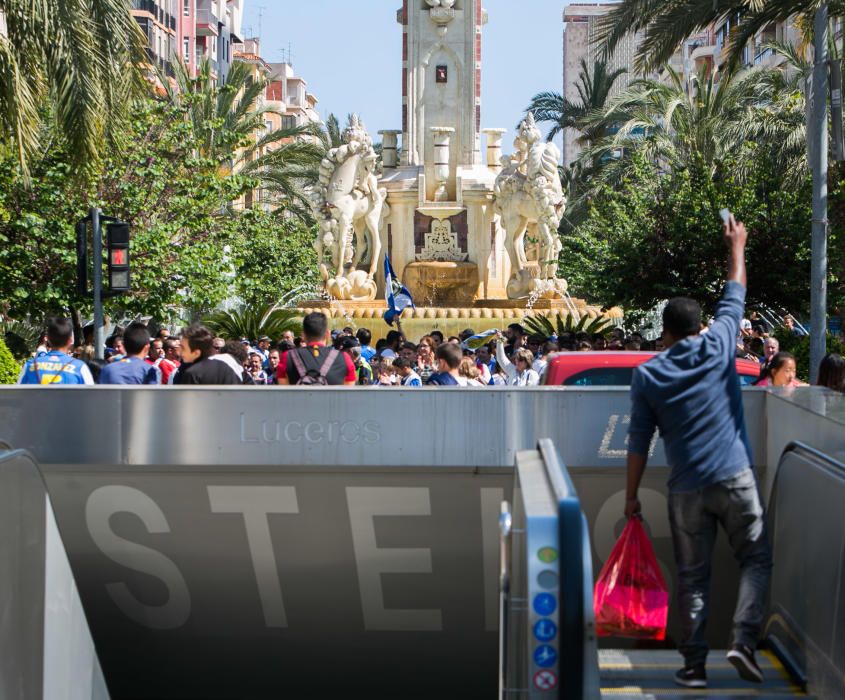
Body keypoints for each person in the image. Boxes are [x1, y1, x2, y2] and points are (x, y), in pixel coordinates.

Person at [625, 215, 772, 689]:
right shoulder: (720, 343)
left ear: (665, 332)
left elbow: (638, 442)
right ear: (700, 326)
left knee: (692, 577)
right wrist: (737, 244)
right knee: (755, 558)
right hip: (734, 476)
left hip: (685, 489)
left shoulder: (648, 376)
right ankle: (743, 641)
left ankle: (692, 667)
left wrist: (631, 498)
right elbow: (736, 290)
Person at [277, 312, 356, 386]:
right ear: (327, 334)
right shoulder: (344, 359)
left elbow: (283, 392)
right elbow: (349, 394)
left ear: (303, 335)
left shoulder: (287, 357)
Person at [18, 317, 94, 385]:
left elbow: (17, 393)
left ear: (49, 340)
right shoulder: (80, 367)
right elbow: (92, 397)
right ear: (70, 341)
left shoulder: (30, 365)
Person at [175, 324, 244, 385]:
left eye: (183, 348)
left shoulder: (192, 374)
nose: (179, 351)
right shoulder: (230, 364)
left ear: (196, 353)